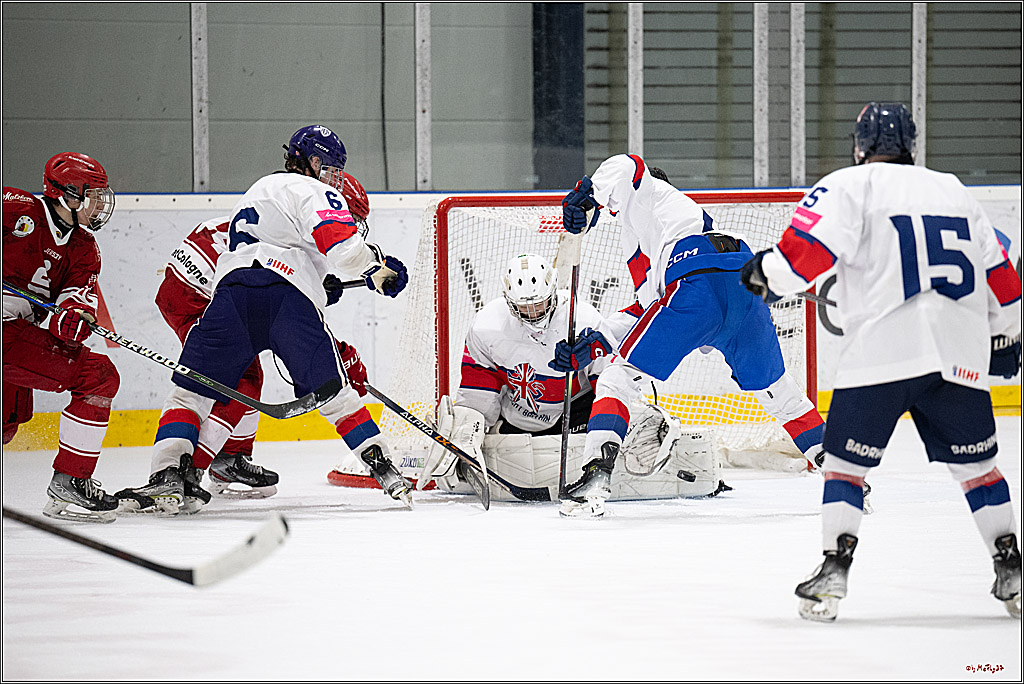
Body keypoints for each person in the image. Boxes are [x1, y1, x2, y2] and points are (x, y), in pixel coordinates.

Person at [740, 102, 1022, 621]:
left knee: (844, 466)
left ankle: (833, 572)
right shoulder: (954, 189)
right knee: (979, 468)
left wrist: (767, 273)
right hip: (957, 355)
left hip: (881, 354)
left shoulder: (849, 185)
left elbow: (805, 254)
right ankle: (1012, 570)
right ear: (911, 146)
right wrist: (1006, 335)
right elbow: (1004, 278)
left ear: (860, 145)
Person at [117, 124, 413, 515]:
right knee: (336, 395)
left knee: (192, 391)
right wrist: (377, 268)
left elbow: (281, 247)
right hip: (284, 299)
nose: (335, 180)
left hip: (232, 294)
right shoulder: (311, 189)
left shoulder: (260, 188)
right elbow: (340, 248)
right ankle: (383, 467)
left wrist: (323, 286)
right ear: (314, 162)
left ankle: (168, 475)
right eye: (333, 170)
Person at [558, 158, 828, 517]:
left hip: (697, 287)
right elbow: (650, 308)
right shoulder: (661, 233)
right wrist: (596, 342)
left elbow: (628, 164)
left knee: (618, 380)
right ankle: (843, 474)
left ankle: (595, 476)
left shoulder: (650, 190)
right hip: (742, 285)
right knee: (782, 396)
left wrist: (588, 193)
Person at [412, 253, 726, 503]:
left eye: (539, 304)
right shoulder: (486, 326)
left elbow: (612, 380)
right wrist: (468, 433)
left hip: (575, 412)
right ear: (509, 302)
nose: (533, 313)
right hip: (519, 418)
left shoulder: (583, 318)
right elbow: (479, 389)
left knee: (614, 426)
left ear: (554, 294)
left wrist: (627, 413)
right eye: (524, 307)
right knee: (480, 440)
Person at [154, 172, 372, 498]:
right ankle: (189, 472)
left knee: (248, 369)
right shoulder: (306, 221)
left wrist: (317, 285)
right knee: (242, 379)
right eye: (350, 217)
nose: (350, 225)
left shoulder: (284, 213)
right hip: (195, 294)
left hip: (200, 282)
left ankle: (232, 457)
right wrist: (339, 355)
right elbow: (293, 330)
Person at [2, 152, 148, 522]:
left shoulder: (84, 248)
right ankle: (71, 481)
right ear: (67, 193)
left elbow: (75, 303)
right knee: (98, 376)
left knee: (6, 425)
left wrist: (72, 321)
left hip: (17, 333)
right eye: (94, 194)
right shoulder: (17, 207)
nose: (100, 203)